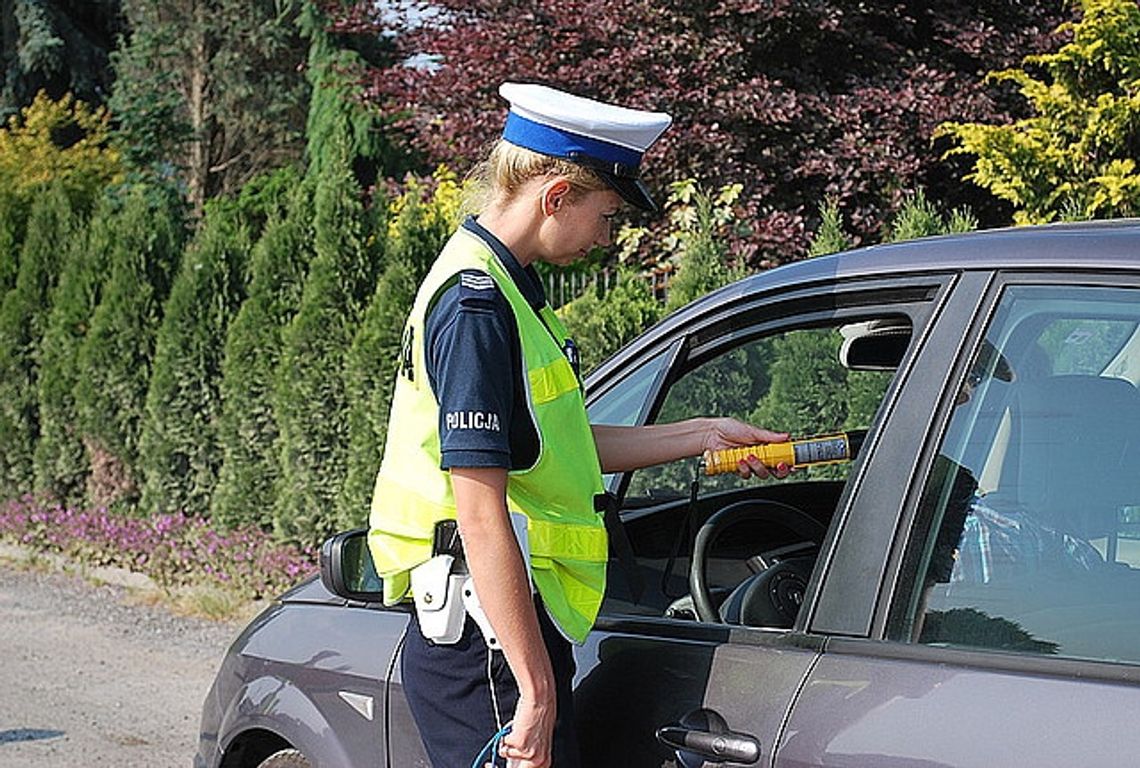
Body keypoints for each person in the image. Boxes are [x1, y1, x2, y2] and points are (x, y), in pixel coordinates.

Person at [367, 82, 791, 768]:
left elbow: (551, 448)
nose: (606, 235)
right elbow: (480, 513)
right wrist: (535, 693)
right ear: (556, 195)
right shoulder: (479, 308)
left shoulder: (499, 287)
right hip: (489, 646)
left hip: (500, 635)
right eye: (606, 214)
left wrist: (702, 434)